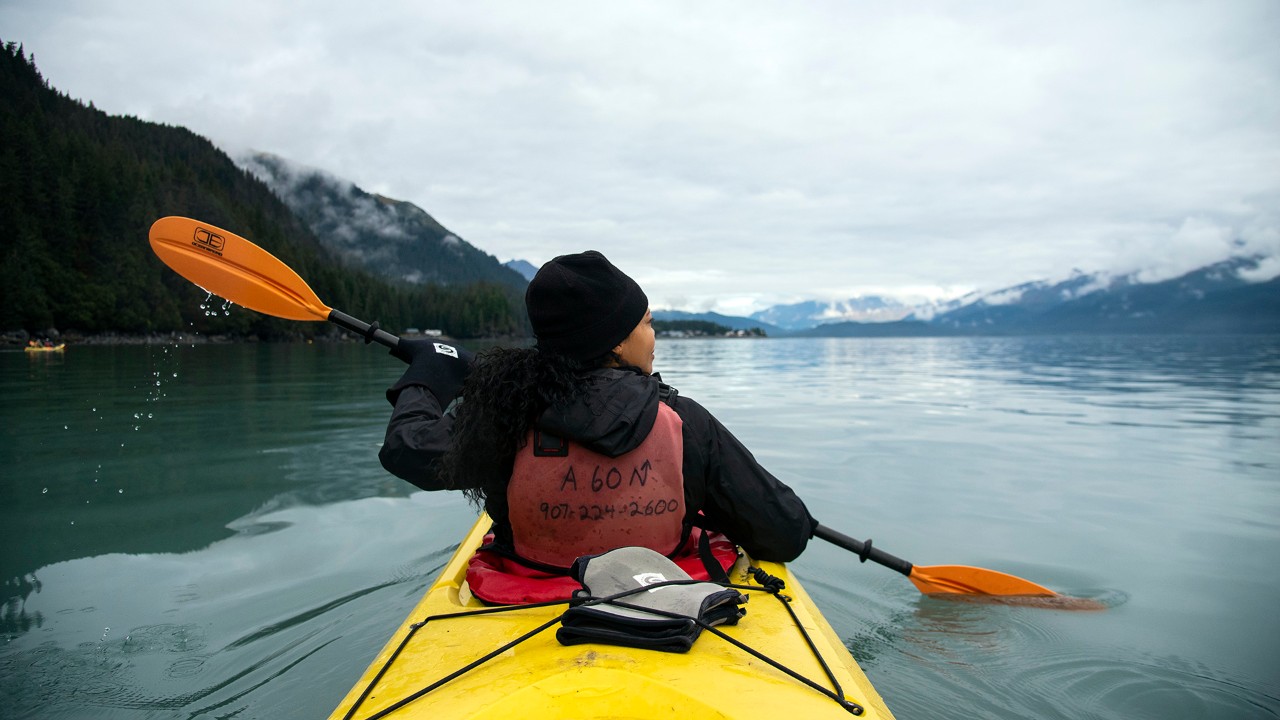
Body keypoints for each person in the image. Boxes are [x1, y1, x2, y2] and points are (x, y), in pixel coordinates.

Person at [379, 250, 816, 603]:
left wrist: (428, 374)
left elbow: (409, 449)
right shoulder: (686, 422)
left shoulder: (503, 413)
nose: (654, 335)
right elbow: (785, 534)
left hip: (525, 593)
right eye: (647, 322)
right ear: (617, 340)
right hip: (665, 597)